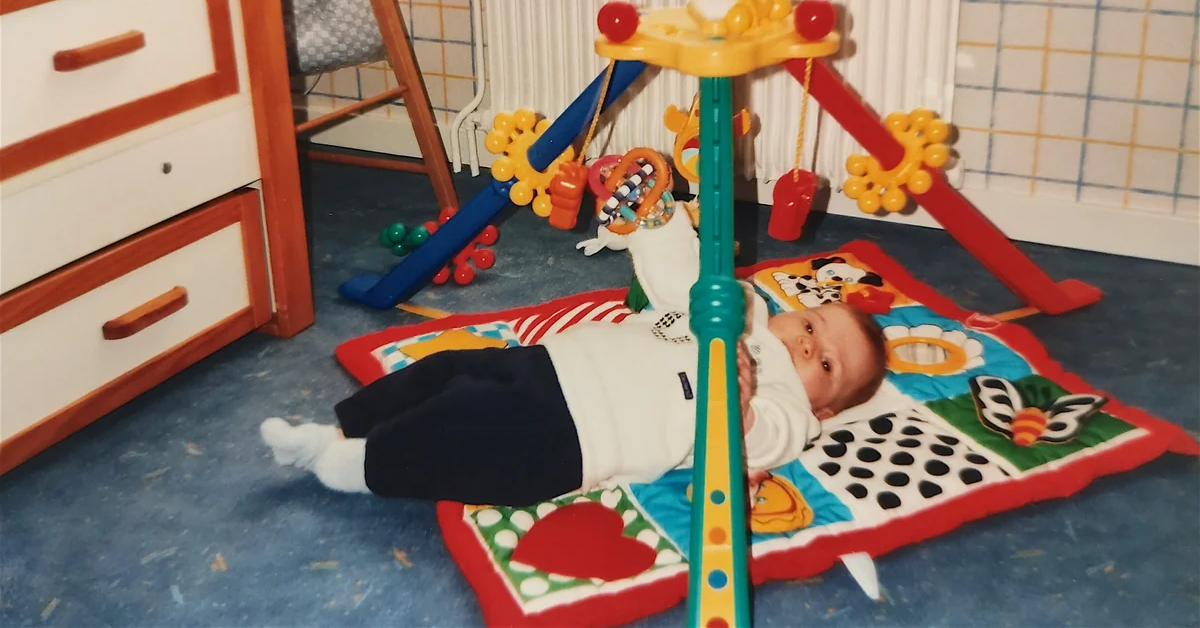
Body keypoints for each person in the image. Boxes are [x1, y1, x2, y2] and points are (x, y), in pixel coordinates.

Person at [261, 209, 888, 506]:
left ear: (824, 409)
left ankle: (360, 464)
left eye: (826, 364)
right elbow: (682, 277)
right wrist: (657, 221)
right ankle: (343, 426)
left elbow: (763, 439)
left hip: (576, 437)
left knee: (460, 427)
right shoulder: (742, 306)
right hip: (549, 364)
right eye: (812, 325)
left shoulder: (787, 408)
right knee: (446, 367)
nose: (808, 344)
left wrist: (741, 402)